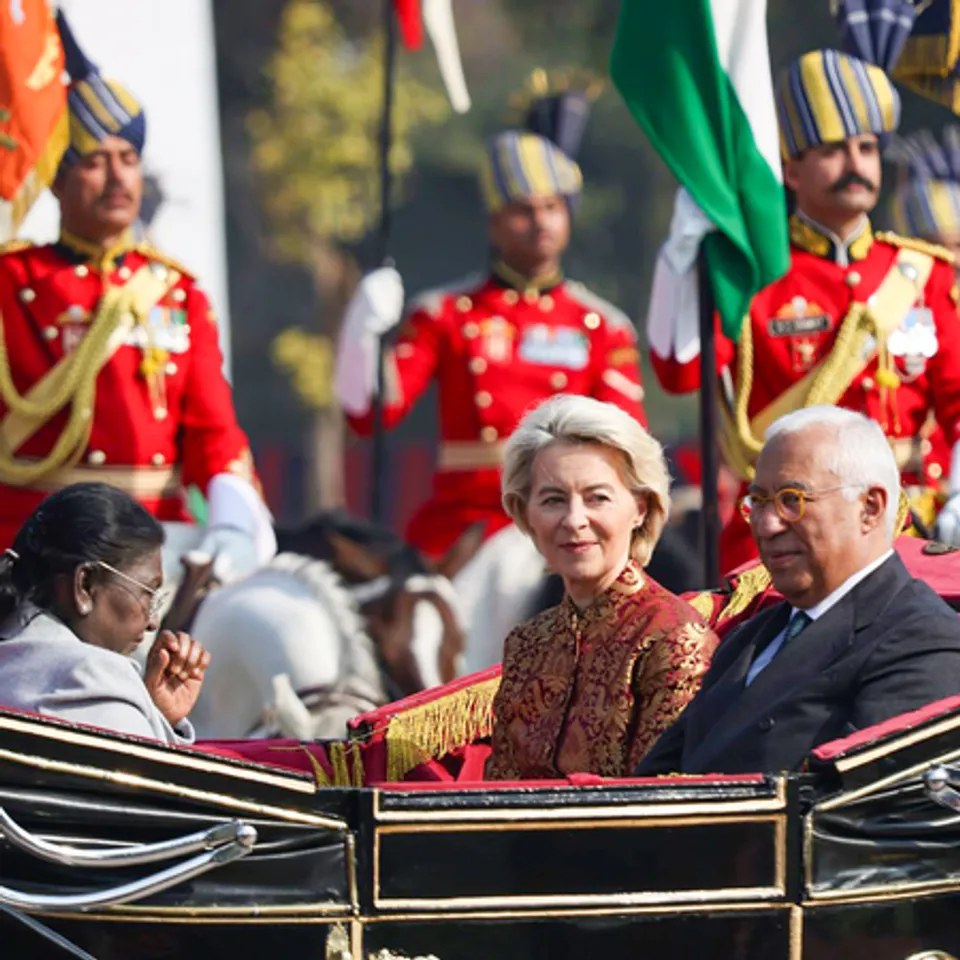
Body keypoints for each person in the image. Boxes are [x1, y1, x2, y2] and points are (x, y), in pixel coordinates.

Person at [335, 85, 647, 668]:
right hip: (464, 529)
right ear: (494, 221)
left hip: (568, 518)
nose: (540, 222)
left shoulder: (605, 325)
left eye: (552, 207)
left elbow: (628, 446)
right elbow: (371, 412)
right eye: (523, 210)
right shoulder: (446, 314)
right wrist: (361, 337)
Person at [647, 48, 960, 573]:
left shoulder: (925, 274)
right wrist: (679, 254)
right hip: (787, 533)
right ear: (790, 169)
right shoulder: (753, 273)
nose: (856, 164)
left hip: (911, 524)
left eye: (866, 148)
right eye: (833, 151)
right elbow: (679, 371)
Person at [0, 15, 274, 578]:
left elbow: (213, 430)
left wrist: (231, 518)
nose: (118, 178)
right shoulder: (12, 282)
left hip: (155, 546)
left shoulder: (176, 293)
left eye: (128, 159)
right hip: (35, 551)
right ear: (57, 178)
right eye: (96, 162)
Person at [637, 407, 960, 777]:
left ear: (869, 508)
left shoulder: (922, 641)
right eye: (757, 502)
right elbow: (651, 783)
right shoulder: (753, 635)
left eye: (791, 500)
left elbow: (856, 812)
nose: (767, 525)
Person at [484, 395, 719, 780]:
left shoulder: (673, 639)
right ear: (525, 512)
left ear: (640, 507)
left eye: (597, 498)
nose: (575, 520)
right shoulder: (527, 644)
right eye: (553, 499)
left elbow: (657, 808)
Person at [0, 483, 210, 744]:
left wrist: (156, 715)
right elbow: (154, 780)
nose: (153, 622)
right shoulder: (90, 678)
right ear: (85, 585)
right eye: (147, 593)